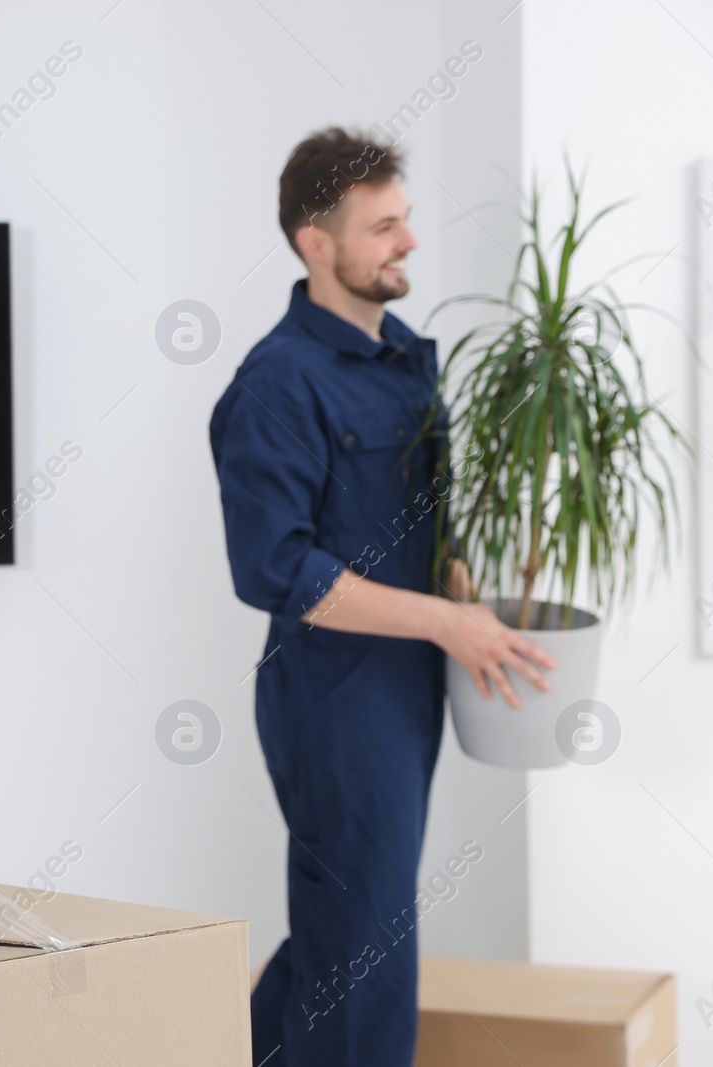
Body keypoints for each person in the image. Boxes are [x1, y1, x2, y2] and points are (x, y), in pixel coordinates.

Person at [208, 127, 557, 1066]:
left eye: (405, 221)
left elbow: (413, 517)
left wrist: (465, 592)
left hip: (408, 688)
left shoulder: (403, 355)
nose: (407, 242)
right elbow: (274, 568)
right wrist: (451, 623)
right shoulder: (276, 385)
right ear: (315, 244)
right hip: (334, 698)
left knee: (350, 928)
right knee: (365, 950)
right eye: (383, 227)